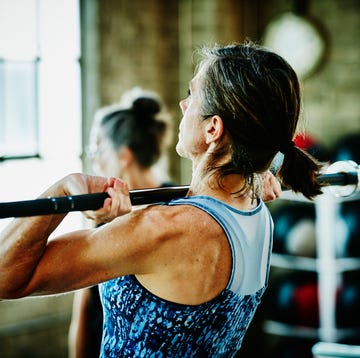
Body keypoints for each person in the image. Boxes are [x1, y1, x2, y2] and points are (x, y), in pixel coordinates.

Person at [0, 41, 323, 357]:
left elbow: (7, 278)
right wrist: (253, 176)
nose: (183, 105)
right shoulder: (254, 212)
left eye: (192, 94)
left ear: (213, 129)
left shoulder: (161, 230)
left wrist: (63, 187)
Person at [68, 87, 175, 358]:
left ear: (124, 155)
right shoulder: (102, 211)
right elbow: (83, 307)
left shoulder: (179, 208)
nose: (94, 159)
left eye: (98, 148)